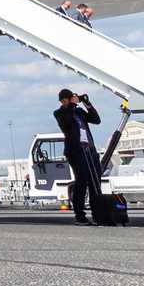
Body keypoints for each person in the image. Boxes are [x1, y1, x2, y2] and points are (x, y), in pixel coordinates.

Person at [54, 88, 105, 226]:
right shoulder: (60, 113)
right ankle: (80, 215)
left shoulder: (79, 111)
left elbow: (96, 120)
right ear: (63, 101)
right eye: (68, 99)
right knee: (82, 180)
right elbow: (67, 124)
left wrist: (87, 104)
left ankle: (97, 214)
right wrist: (72, 105)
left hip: (90, 149)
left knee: (95, 181)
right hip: (76, 151)